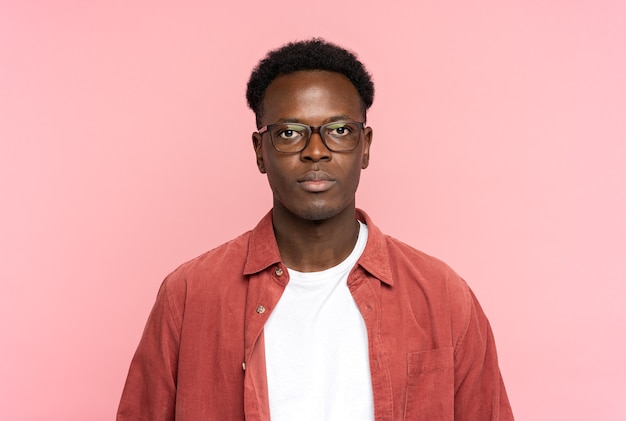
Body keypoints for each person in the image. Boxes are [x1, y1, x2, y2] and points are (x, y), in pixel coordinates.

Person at [117, 39, 514, 420]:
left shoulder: (442, 295)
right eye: (290, 133)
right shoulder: (188, 295)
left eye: (340, 130)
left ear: (366, 146)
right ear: (260, 151)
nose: (316, 150)